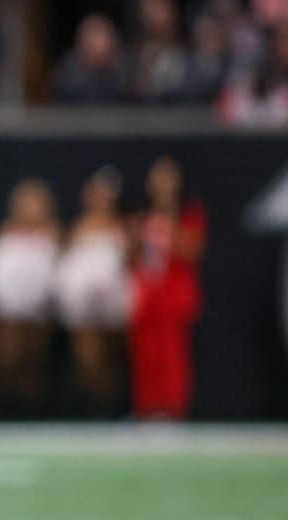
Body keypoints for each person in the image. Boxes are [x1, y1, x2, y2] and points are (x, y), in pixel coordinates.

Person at [128, 156, 206, 420]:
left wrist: (167, 221)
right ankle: (146, 409)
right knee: (146, 354)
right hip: (147, 291)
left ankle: (174, 408)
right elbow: (132, 253)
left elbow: (192, 249)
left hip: (175, 291)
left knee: (172, 354)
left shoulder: (188, 212)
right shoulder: (141, 216)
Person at [0, 177, 60, 415]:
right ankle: (7, 408)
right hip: (8, 314)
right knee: (8, 355)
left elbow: (59, 273)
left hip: (41, 315)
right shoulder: (2, 237)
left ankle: (36, 409)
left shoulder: (53, 237)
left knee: (34, 359)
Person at [54, 166, 130, 416]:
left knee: (112, 359)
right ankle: (91, 409)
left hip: (113, 305)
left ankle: (112, 410)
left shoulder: (124, 227)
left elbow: (129, 264)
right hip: (83, 306)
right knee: (87, 358)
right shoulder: (78, 227)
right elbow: (67, 262)